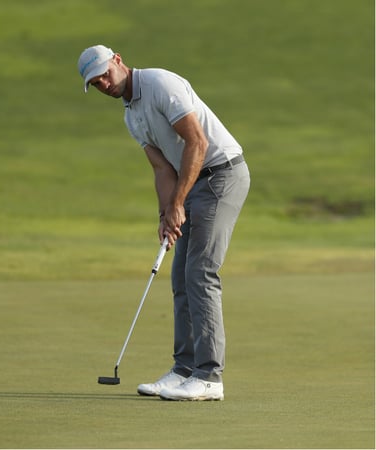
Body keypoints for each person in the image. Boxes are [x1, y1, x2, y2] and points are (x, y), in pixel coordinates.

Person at [78, 45, 250, 401]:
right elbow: (162, 168)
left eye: (104, 74)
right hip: (193, 182)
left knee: (200, 273)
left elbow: (197, 142)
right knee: (180, 277)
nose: (104, 85)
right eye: (95, 84)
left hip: (221, 176)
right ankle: (184, 369)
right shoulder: (130, 115)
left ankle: (209, 377)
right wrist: (166, 215)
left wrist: (177, 204)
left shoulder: (159, 84)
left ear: (118, 61)